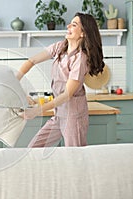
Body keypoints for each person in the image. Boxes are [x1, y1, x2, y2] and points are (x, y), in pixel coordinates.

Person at [17, 13, 104, 147]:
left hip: (73, 117)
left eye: (74, 25)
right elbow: (32, 60)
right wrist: (15, 79)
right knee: (34, 148)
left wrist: (36, 111)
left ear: (83, 33)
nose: (68, 26)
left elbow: (67, 95)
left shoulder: (80, 59)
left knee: (75, 157)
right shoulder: (60, 47)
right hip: (59, 114)